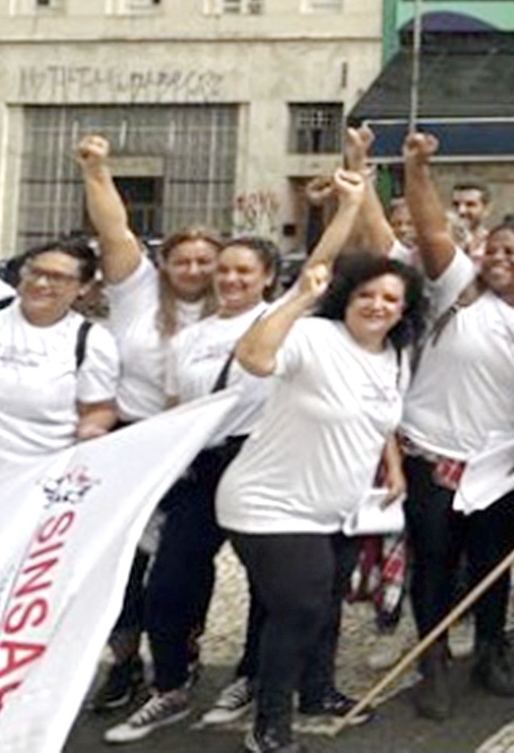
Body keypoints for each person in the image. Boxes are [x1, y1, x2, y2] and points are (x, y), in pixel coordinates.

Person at [109, 233, 351, 743]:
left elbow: (323, 255)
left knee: (269, 588)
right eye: (224, 271)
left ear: (268, 277)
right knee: (170, 581)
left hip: (262, 461)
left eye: (244, 271)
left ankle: (250, 677)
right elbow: (178, 407)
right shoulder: (190, 337)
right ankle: (170, 685)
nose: (231, 280)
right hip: (202, 464)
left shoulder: (283, 318)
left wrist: (350, 193)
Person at [216, 184, 423, 753]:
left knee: (328, 602)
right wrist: (298, 300)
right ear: (346, 297)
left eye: (391, 299)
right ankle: (270, 724)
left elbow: (382, 417)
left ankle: (318, 690)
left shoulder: (395, 355)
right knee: (301, 606)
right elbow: (255, 359)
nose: (378, 306)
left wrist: (393, 465)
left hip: (338, 507)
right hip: (269, 504)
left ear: (404, 310)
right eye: (367, 295)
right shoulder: (313, 336)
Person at [397, 133, 514, 718]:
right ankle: (432, 662)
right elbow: (434, 228)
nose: (500, 260)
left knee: (492, 567)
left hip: (498, 466)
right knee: (434, 563)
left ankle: (491, 649)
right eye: (494, 248)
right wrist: (418, 169)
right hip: (434, 454)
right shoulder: (455, 285)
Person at [75, 134, 220, 712]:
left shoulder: (233, 306)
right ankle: (125, 661)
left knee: (185, 564)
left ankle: (182, 650)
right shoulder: (137, 292)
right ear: (165, 262)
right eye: (181, 259)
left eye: (204, 261)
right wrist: (97, 170)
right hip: (130, 442)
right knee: (121, 563)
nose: (192, 269)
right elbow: (115, 231)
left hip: (196, 453)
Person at [0, 239, 120, 471]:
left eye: (57, 277)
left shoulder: (91, 341)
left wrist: (91, 430)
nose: (41, 283)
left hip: (36, 479)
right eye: (34, 272)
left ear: (83, 287)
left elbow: (99, 408)